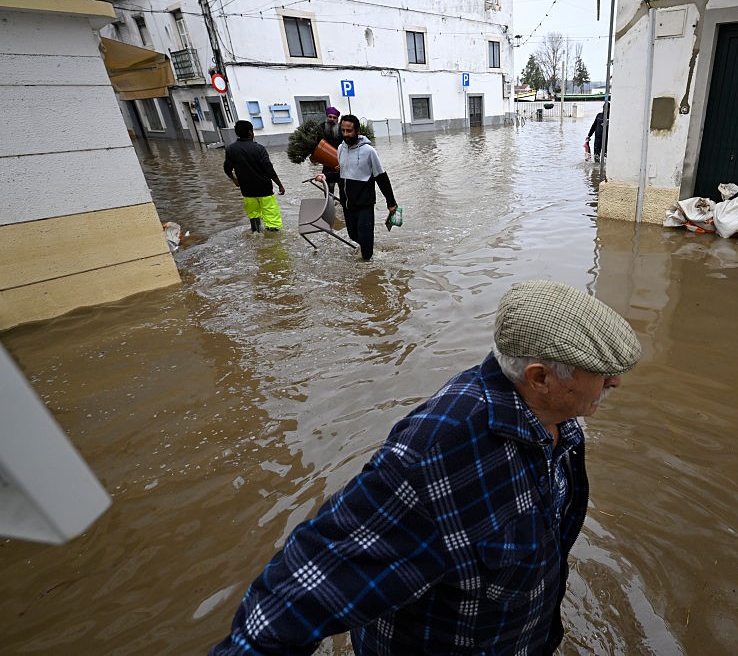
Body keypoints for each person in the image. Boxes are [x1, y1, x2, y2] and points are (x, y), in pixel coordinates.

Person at [209, 279, 642, 656]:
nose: (616, 383)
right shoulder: (434, 458)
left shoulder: (562, 423)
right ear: (540, 377)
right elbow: (301, 591)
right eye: (602, 373)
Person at [315, 114, 398, 260]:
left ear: (358, 131)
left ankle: (370, 270)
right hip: (347, 203)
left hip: (365, 203)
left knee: (365, 244)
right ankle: (370, 248)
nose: (345, 134)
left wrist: (391, 202)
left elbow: (381, 177)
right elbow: (343, 173)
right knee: (353, 235)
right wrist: (326, 176)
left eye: (349, 131)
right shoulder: (341, 148)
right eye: (343, 131)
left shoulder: (369, 151)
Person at [224, 120, 285, 233]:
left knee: (254, 216)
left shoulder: (231, 149)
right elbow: (269, 169)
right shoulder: (259, 148)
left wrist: (235, 180)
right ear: (250, 132)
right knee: (272, 218)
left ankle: (256, 234)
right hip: (265, 190)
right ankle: (274, 241)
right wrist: (280, 185)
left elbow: (227, 169)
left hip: (247, 191)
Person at [320, 106, 344, 197]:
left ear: (337, 119)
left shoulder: (341, 129)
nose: (332, 119)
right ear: (327, 117)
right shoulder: (321, 128)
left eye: (334, 118)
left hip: (341, 164)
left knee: (343, 187)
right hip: (327, 164)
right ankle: (330, 206)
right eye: (330, 117)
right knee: (328, 189)